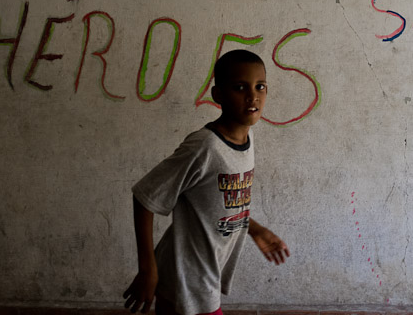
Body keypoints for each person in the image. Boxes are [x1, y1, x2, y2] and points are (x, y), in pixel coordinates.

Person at [123, 49, 290, 315]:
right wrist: (148, 270)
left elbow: (222, 203)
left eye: (260, 86)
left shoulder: (247, 140)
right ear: (218, 95)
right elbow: (145, 196)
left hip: (202, 272)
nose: (253, 96)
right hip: (187, 275)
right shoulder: (205, 147)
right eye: (240, 87)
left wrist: (254, 228)